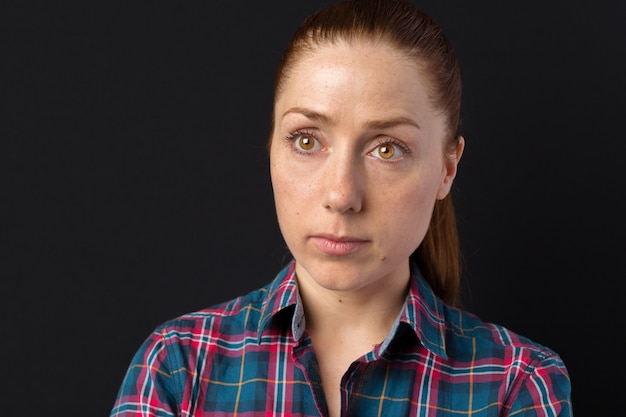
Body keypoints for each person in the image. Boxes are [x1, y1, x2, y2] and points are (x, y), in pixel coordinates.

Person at [110, 0, 572, 415]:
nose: (341, 195)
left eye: (387, 149)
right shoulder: (177, 368)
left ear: (447, 167)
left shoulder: (517, 383)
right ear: (271, 145)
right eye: (307, 140)